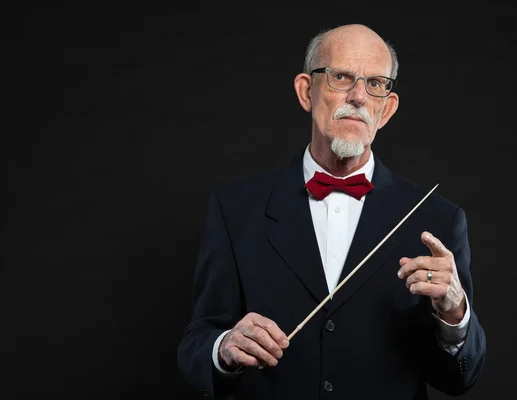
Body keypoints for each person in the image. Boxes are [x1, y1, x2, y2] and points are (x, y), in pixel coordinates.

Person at [177, 23, 486, 399]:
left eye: (375, 84)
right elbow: (197, 343)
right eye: (341, 77)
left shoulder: (437, 219)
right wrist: (223, 348)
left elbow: (458, 379)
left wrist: (455, 315)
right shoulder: (235, 208)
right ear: (306, 91)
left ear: (386, 109)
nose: (358, 96)